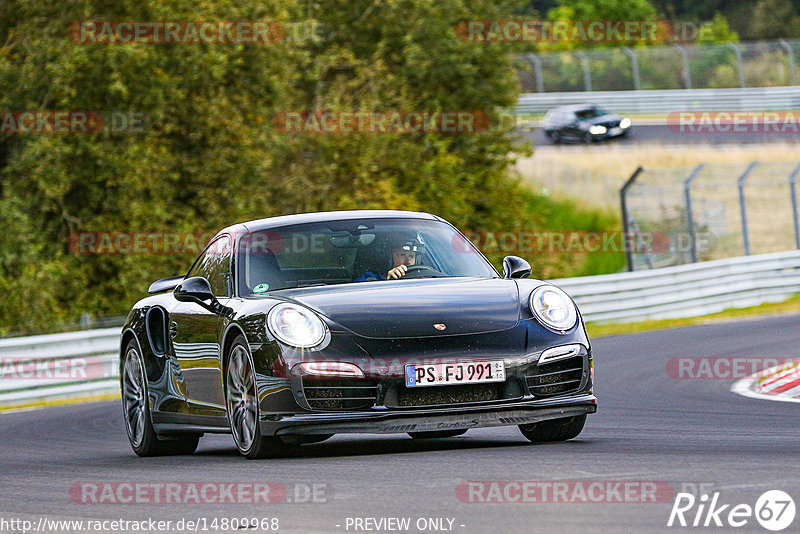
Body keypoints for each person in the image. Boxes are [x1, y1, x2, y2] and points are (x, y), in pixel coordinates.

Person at [355, 235, 422, 282]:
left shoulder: (422, 278)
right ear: (388, 258)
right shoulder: (368, 278)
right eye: (402, 255)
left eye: (411, 256)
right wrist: (388, 281)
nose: (408, 262)